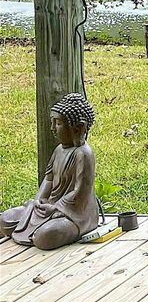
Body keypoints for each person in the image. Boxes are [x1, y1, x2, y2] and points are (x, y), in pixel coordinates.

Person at [1, 93, 99, 250]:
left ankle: (41, 233)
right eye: (53, 122)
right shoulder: (59, 150)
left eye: (58, 123)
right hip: (48, 207)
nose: (53, 128)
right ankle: (35, 229)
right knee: (5, 219)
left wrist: (56, 208)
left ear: (77, 128)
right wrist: (39, 200)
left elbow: (80, 192)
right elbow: (48, 179)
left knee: (45, 236)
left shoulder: (83, 154)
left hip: (74, 214)